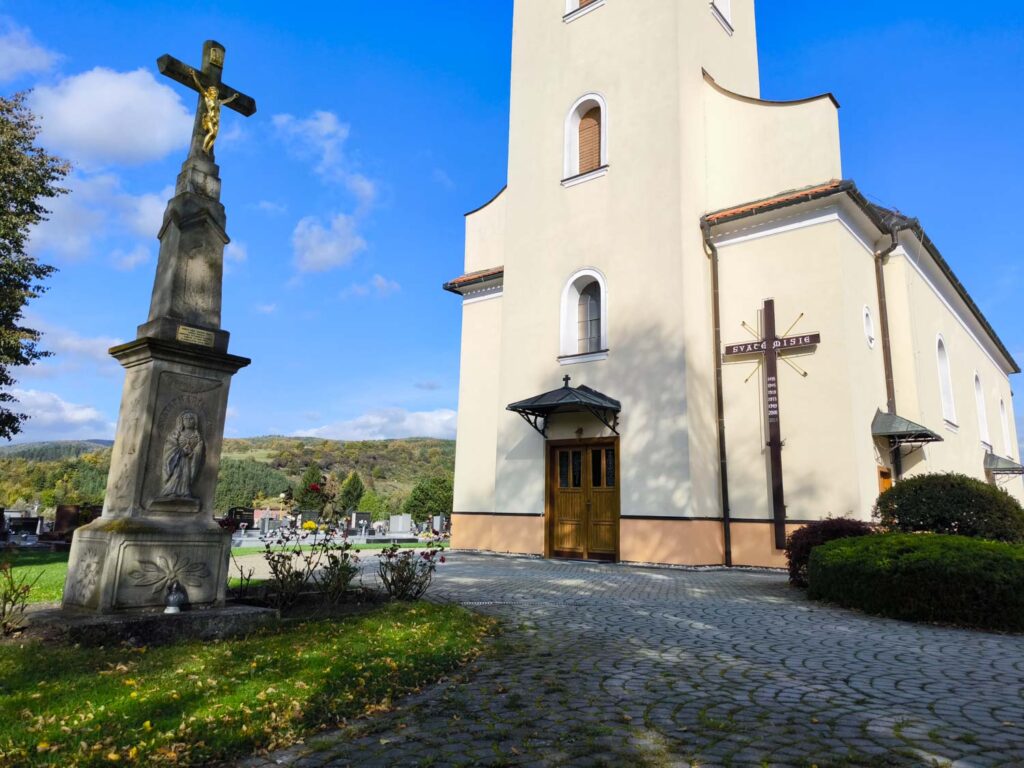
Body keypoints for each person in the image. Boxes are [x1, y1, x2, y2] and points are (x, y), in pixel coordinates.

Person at [190, 69, 238, 154]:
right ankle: (204, 147)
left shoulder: (218, 102)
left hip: (216, 121)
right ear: (210, 92)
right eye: (213, 91)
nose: (215, 92)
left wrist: (233, 97)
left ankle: (207, 149)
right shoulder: (207, 97)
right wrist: (194, 75)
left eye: (216, 92)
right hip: (209, 118)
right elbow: (199, 86)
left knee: (214, 136)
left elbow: (227, 100)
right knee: (211, 132)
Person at [161, 410, 205, 498]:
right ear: (181, 421)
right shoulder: (176, 433)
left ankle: (185, 491)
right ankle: (171, 491)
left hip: (189, 460)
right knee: (177, 474)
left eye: (191, 419)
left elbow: (199, 448)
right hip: (177, 459)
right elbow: (170, 445)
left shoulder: (197, 436)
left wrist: (193, 453)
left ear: (195, 421)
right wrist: (181, 451)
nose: (189, 420)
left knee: (186, 475)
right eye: (186, 418)